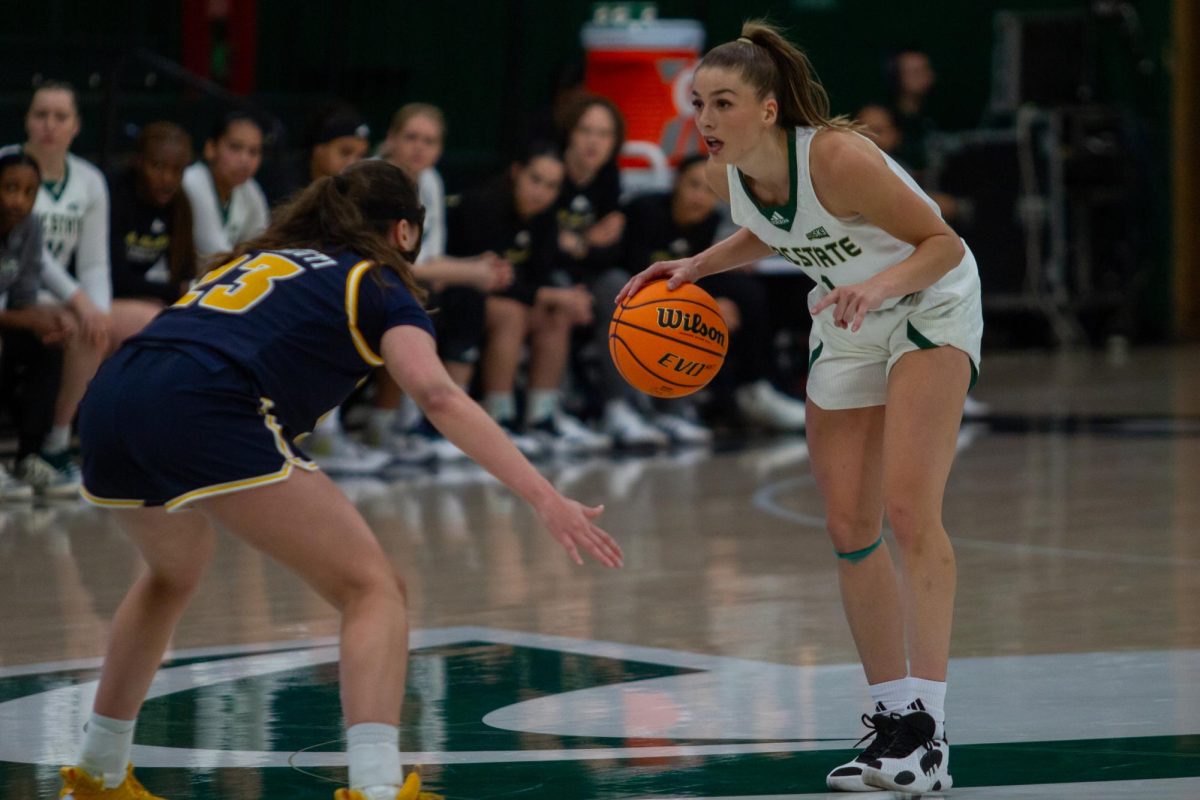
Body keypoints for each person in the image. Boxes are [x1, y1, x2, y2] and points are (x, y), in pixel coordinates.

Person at [59, 159, 623, 800]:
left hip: (113, 396)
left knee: (171, 573)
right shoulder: (378, 283)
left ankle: (98, 774)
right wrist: (545, 496)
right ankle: (378, 788)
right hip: (202, 402)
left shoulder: (257, 261)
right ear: (405, 232)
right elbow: (438, 395)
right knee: (373, 589)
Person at [619, 21, 981, 793]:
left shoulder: (836, 158)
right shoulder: (724, 178)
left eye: (722, 103)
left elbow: (943, 244)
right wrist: (697, 266)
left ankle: (935, 736)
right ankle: (894, 725)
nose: (705, 119)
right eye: (698, 103)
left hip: (927, 300)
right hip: (847, 317)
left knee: (910, 512)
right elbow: (773, 231)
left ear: (769, 110)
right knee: (851, 527)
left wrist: (879, 287)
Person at [621, 154, 808, 437]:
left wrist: (716, 299)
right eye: (693, 186)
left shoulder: (711, 223)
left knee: (747, 292)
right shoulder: (645, 212)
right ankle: (667, 409)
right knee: (696, 316)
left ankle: (753, 389)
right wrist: (703, 304)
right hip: (634, 298)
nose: (699, 197)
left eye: (709, 191)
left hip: (677, 290)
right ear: (675, 183)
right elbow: (632, 271)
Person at [449, 141, 609, 456]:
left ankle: (542, 416)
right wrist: (554, 295)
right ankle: (499, 417)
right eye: (535, 180)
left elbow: (536, 277)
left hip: (503, 299)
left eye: (551, 186)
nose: (541, 192)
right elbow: (491, 277)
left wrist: (568, 299)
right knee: (513, 312)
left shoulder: (544, 218)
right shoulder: (483, 205)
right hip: (458, 295)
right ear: (517, 173)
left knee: (555, 314)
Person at [18, 81, 110, 494]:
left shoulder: (89, 180)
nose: (49, 126)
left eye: (60, 117)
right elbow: (33, 256)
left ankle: (56, 446)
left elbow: (93, 261)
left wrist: (98, 310)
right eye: (41, 115)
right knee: (75, 319)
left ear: (76, 126)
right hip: (13, 290)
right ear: (26, 121)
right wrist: (79, 302)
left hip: (55, 295)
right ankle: (27, 453)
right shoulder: (9, 167)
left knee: (96, 328)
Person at [0, 148, 92, 500]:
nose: (17, 201)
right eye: (9, 188)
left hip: (6, 316)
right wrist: (27, 317)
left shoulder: (31, 226)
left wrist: (44, 319)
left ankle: (30, 457)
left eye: (28, 192)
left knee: (54, 337)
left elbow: (23, 294)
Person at [107, 122, 197, 346]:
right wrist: (175, 291)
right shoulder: (114, 195)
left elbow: (184, 271)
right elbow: (116, 278)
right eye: (158, 166)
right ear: (137, 161)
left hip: (141, 300)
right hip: (101, 299)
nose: (168, 178)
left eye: (177, 170)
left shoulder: (180, 205)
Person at [182, 111, 269, 263]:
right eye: (235, 148)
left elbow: (264, 246)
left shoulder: (250, 188)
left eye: (253, 151)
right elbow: (215, 255)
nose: (245, 159)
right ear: (211, 148)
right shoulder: (192, 182)